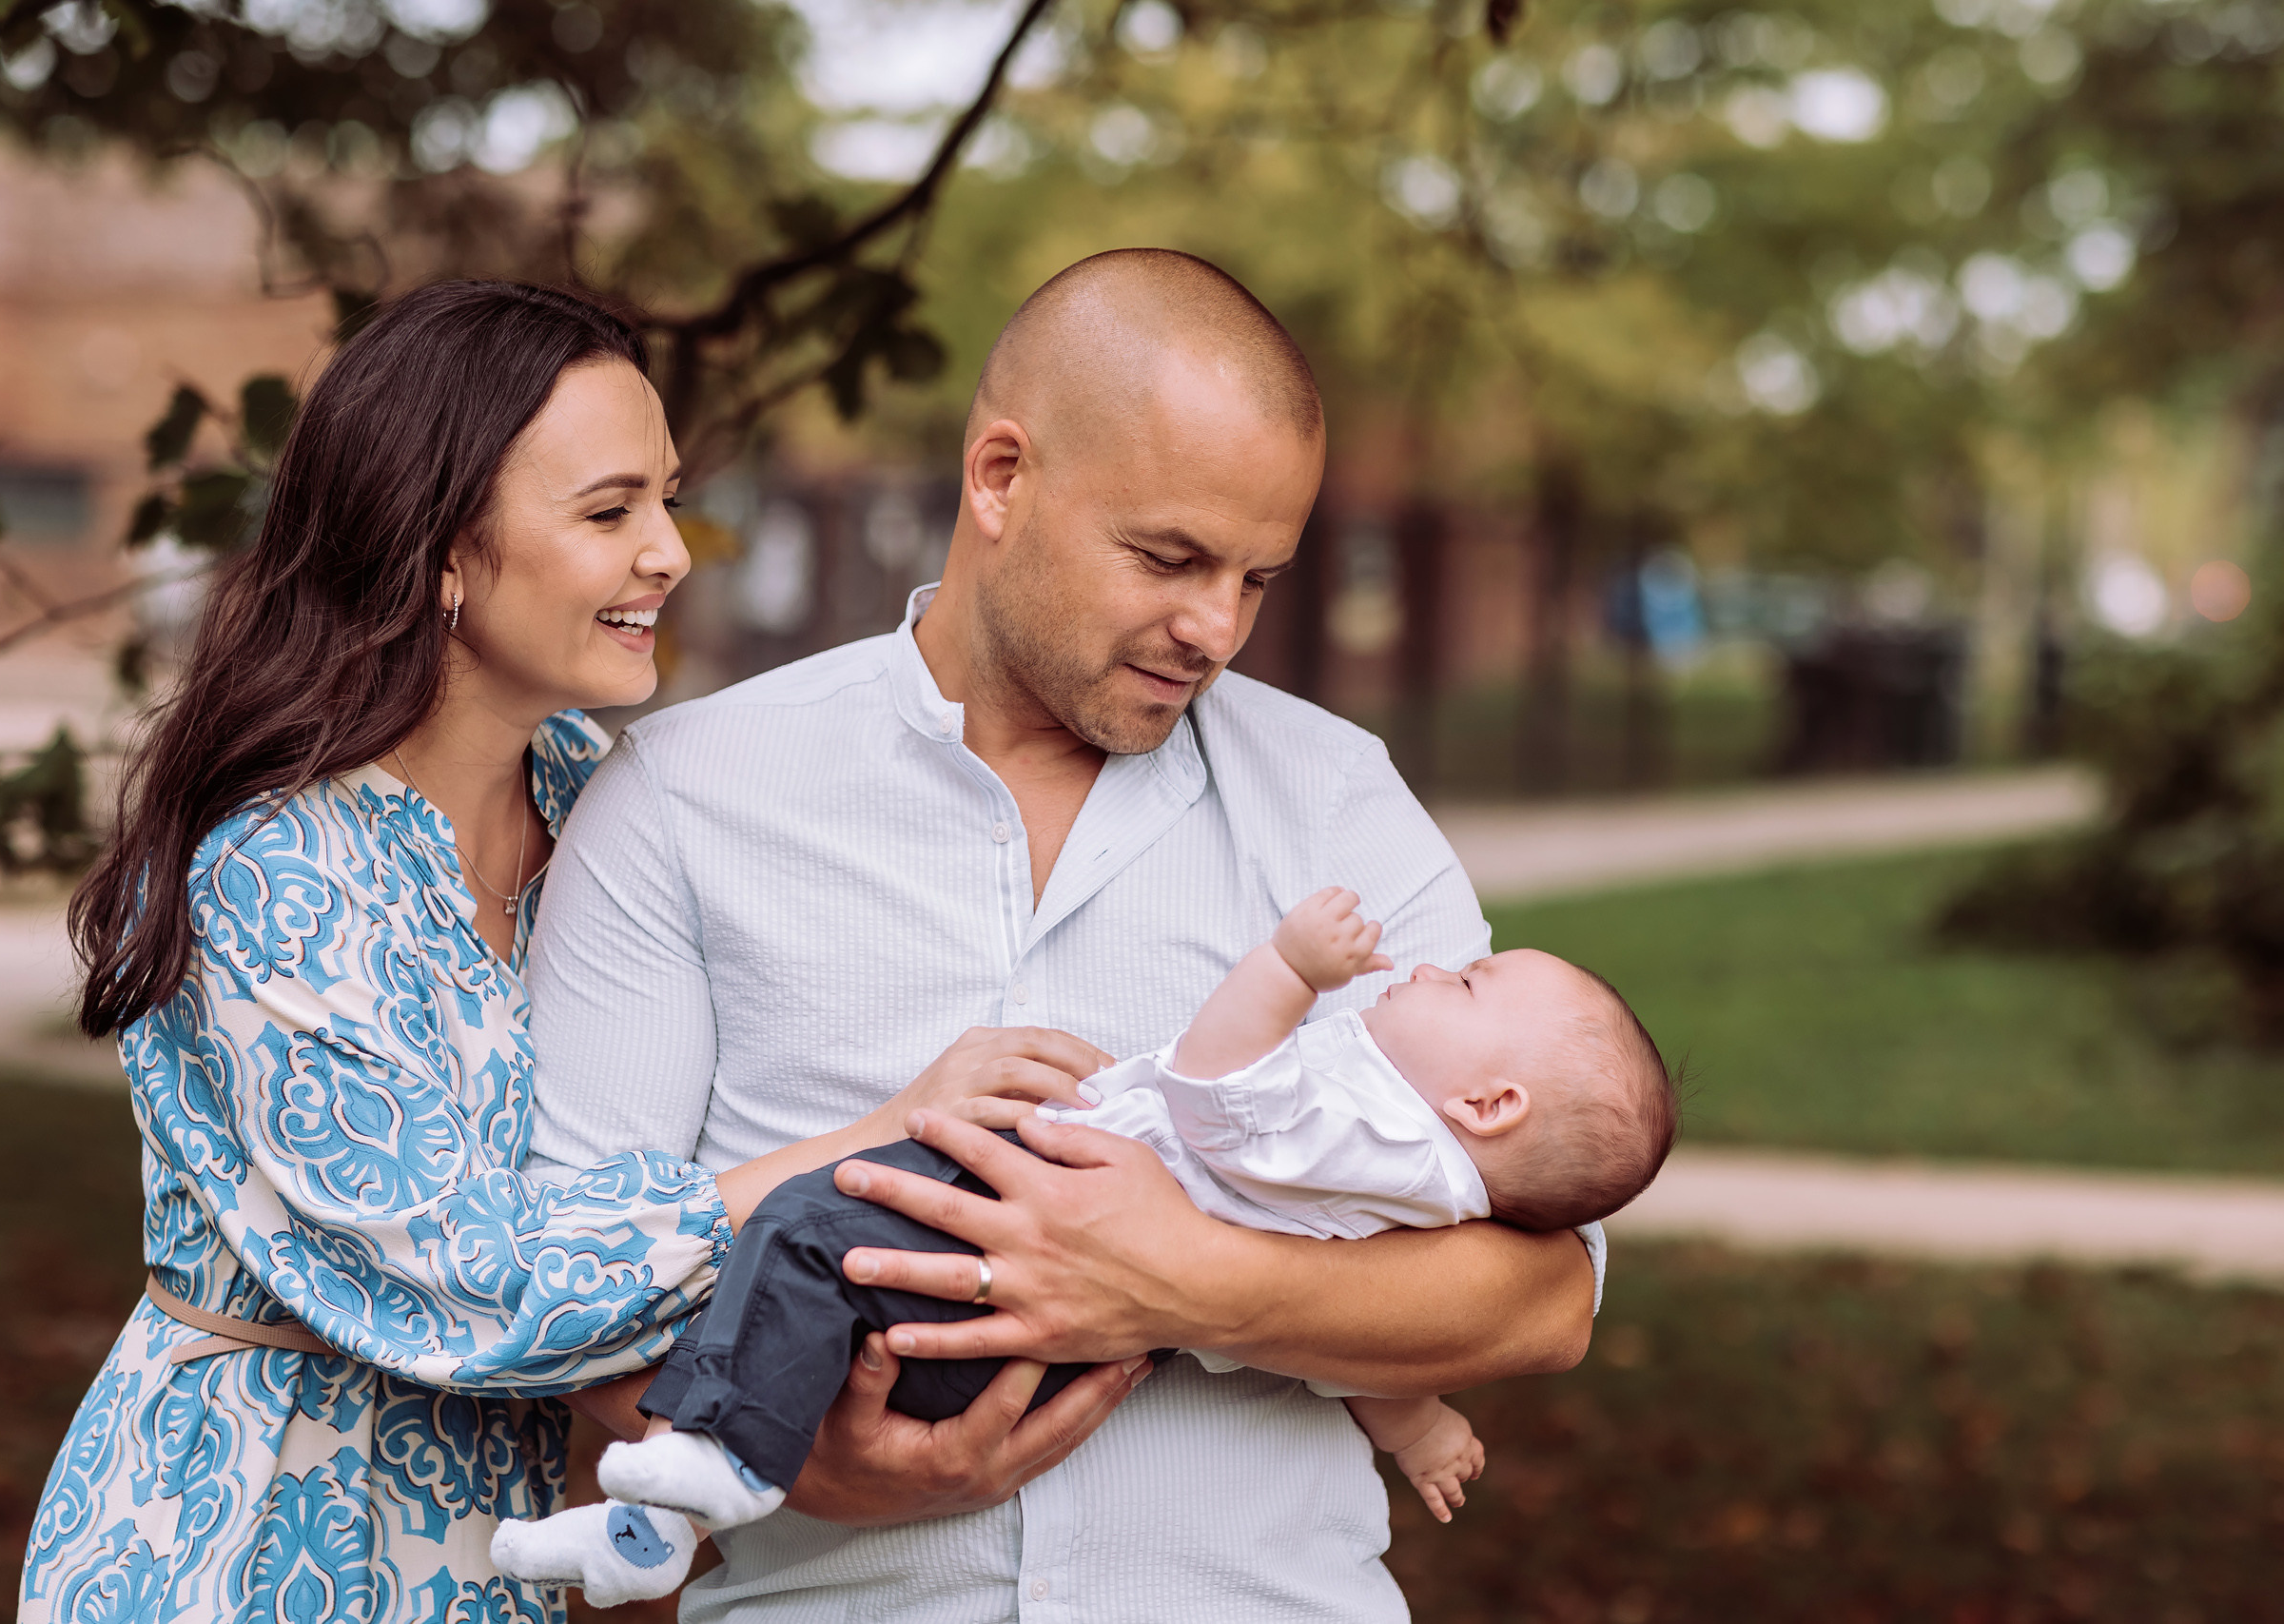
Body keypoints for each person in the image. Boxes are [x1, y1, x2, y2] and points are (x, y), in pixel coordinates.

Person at [526, 247, 1606, 1622]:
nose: (1214, 627)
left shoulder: (1336, 799)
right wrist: (817, 1468)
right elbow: (567, 1274)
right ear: (999, 477)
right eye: (1169, 557)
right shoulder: (686, 796)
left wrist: (1173, 1279)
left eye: (1258, 578)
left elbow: (1543, 1296)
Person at [22, 280, 1095, 1623]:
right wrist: (868, 1142)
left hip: (491, 1548)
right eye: (608, 512)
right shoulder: (273, 871)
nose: (671, 553)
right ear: (440, 553)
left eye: (667, 499)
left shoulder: (597, 794)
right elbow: (466, 1281)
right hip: (238, 1538)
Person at [499, 887, 1677, 1604]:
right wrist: (1417, 1426)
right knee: (793, 1298)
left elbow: (1218, 1090)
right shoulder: (1418, 1189)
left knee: (806, 1234)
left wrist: (1285, 972)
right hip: (1040, 1351)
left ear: (1490, 1105)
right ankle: (659, 1519)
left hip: (1001, 1286)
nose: (1427, 965)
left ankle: (703, 1482)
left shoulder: (1366, 1119)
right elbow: (1359, 1349)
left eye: (1463, 983)